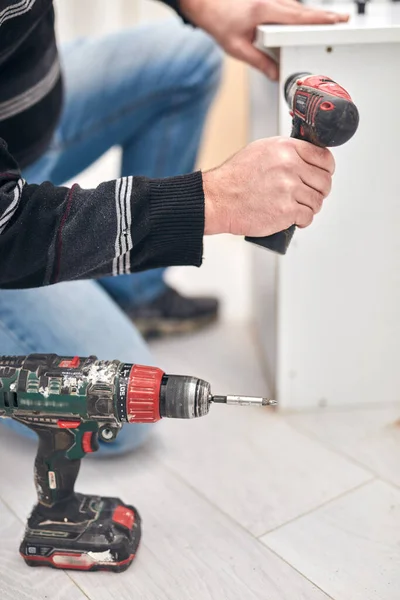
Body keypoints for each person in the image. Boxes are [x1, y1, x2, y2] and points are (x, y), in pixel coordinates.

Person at [0, 0, 346, 455]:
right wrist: (213, 200)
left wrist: (199, 4)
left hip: (28, 114)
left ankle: (136, 296)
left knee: (190, 56)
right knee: (119, 414)